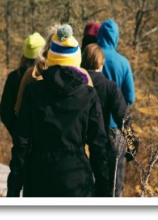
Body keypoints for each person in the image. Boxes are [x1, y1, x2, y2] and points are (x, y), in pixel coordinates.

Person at [7, 24, 110, 197]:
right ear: (76, 61)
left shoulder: (33, 92)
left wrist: (14, 188)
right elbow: (98, 145)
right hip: (77, 178)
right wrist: (104, 190)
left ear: (51, 58)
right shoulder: (88, 94)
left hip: (39, 178)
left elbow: (22, 143)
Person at [81, 43, 127, 196]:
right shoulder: (110, 87)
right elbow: (122, 117)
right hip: (103, 145)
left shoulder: (76, 85)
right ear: (102, 63)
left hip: (78, 144)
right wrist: (132, 145)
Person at [96, 18, 135, 197]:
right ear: (116, 37)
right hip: (115, 130)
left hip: (90, 129)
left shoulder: (89, 58)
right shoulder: (123, 63)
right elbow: (130, 98)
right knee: (114, 185)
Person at [0, 32, 46, 138]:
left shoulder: (14, 77)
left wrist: (17, 133)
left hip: (21, 143)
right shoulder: (48, 77)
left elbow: (5, 112)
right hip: (45, 142)